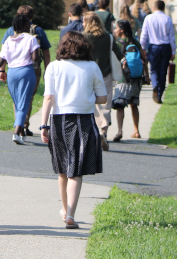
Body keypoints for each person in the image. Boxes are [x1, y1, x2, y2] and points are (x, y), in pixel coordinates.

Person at [39, 31, 107, 229]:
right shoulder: (92, 67)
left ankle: (64, 209)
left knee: (62, 169)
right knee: (75, 171)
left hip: (59, 121)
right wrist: (86, 97)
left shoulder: (54, 67)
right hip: (83, 121)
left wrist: (44, 125)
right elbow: (102, 99)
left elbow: (48, 98)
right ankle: (70, 214)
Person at [0, 5, 52, 136]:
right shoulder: (38, 30)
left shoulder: (10, 30)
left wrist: (2, 70)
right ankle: (23, 124)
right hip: (33, 69)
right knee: (28, 97)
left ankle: (20, 123)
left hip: (13, 69)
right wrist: (47, 69)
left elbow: (3, 53)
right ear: (32, 17)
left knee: (17, 98)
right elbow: (46, 52)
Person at [0, 15, 40, 144]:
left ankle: (22, 133)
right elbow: (35, 58)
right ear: (23, 25)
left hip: (12, 73)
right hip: (26, 72)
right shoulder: (31, 39)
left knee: (18, 103)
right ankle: (16, 132)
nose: (30, 25)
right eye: (28, 23)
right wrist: (37, 57)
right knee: (24, 103)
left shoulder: (9, 40)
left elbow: (2, 58)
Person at [82, 12, 122, 151]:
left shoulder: (84, 37)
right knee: (106, 104)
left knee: (91, 104)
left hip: (87, 74)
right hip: (105, 74)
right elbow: (119, 53)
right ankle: (103, 131)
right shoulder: (108, 37)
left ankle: (95, 130)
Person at [112, 20, 150, 140]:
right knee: (134, 104)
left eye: (116, 28)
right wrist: (147, 76)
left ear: (122, 30)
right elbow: (144, 59)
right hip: (137, 78)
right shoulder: (136, 42)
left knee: (120, 105)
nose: (115, 30)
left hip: (124, 78)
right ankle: (136, 131)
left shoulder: (117, 44)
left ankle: (119, 131)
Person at [140, 0, 176, 104]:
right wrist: (173, 51)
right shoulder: (167, 19)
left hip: (154, 46)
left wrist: (142, 47)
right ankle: (160, 93)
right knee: (163, 71)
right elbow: (171, 37)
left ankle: (155, 85)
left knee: (154, 70)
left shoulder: (148, 18)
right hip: (165, 47)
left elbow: (144, 35)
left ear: (154, 7)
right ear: (164, 8)